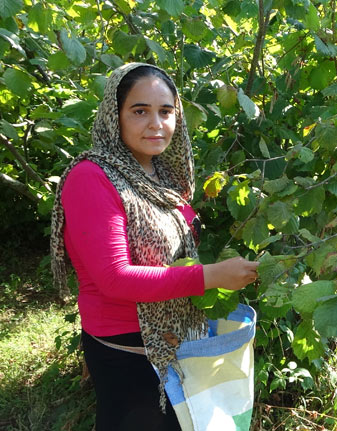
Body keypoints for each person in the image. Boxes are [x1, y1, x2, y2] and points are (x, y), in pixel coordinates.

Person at [50, 63, 260, 431]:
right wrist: (212, 277)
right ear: (114, 116)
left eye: (166, 111)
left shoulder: (161, 175)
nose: (156, 123)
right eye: (139, 110)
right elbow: (115, 278)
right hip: (128, 349)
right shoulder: (92, 177)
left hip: (175, 340)